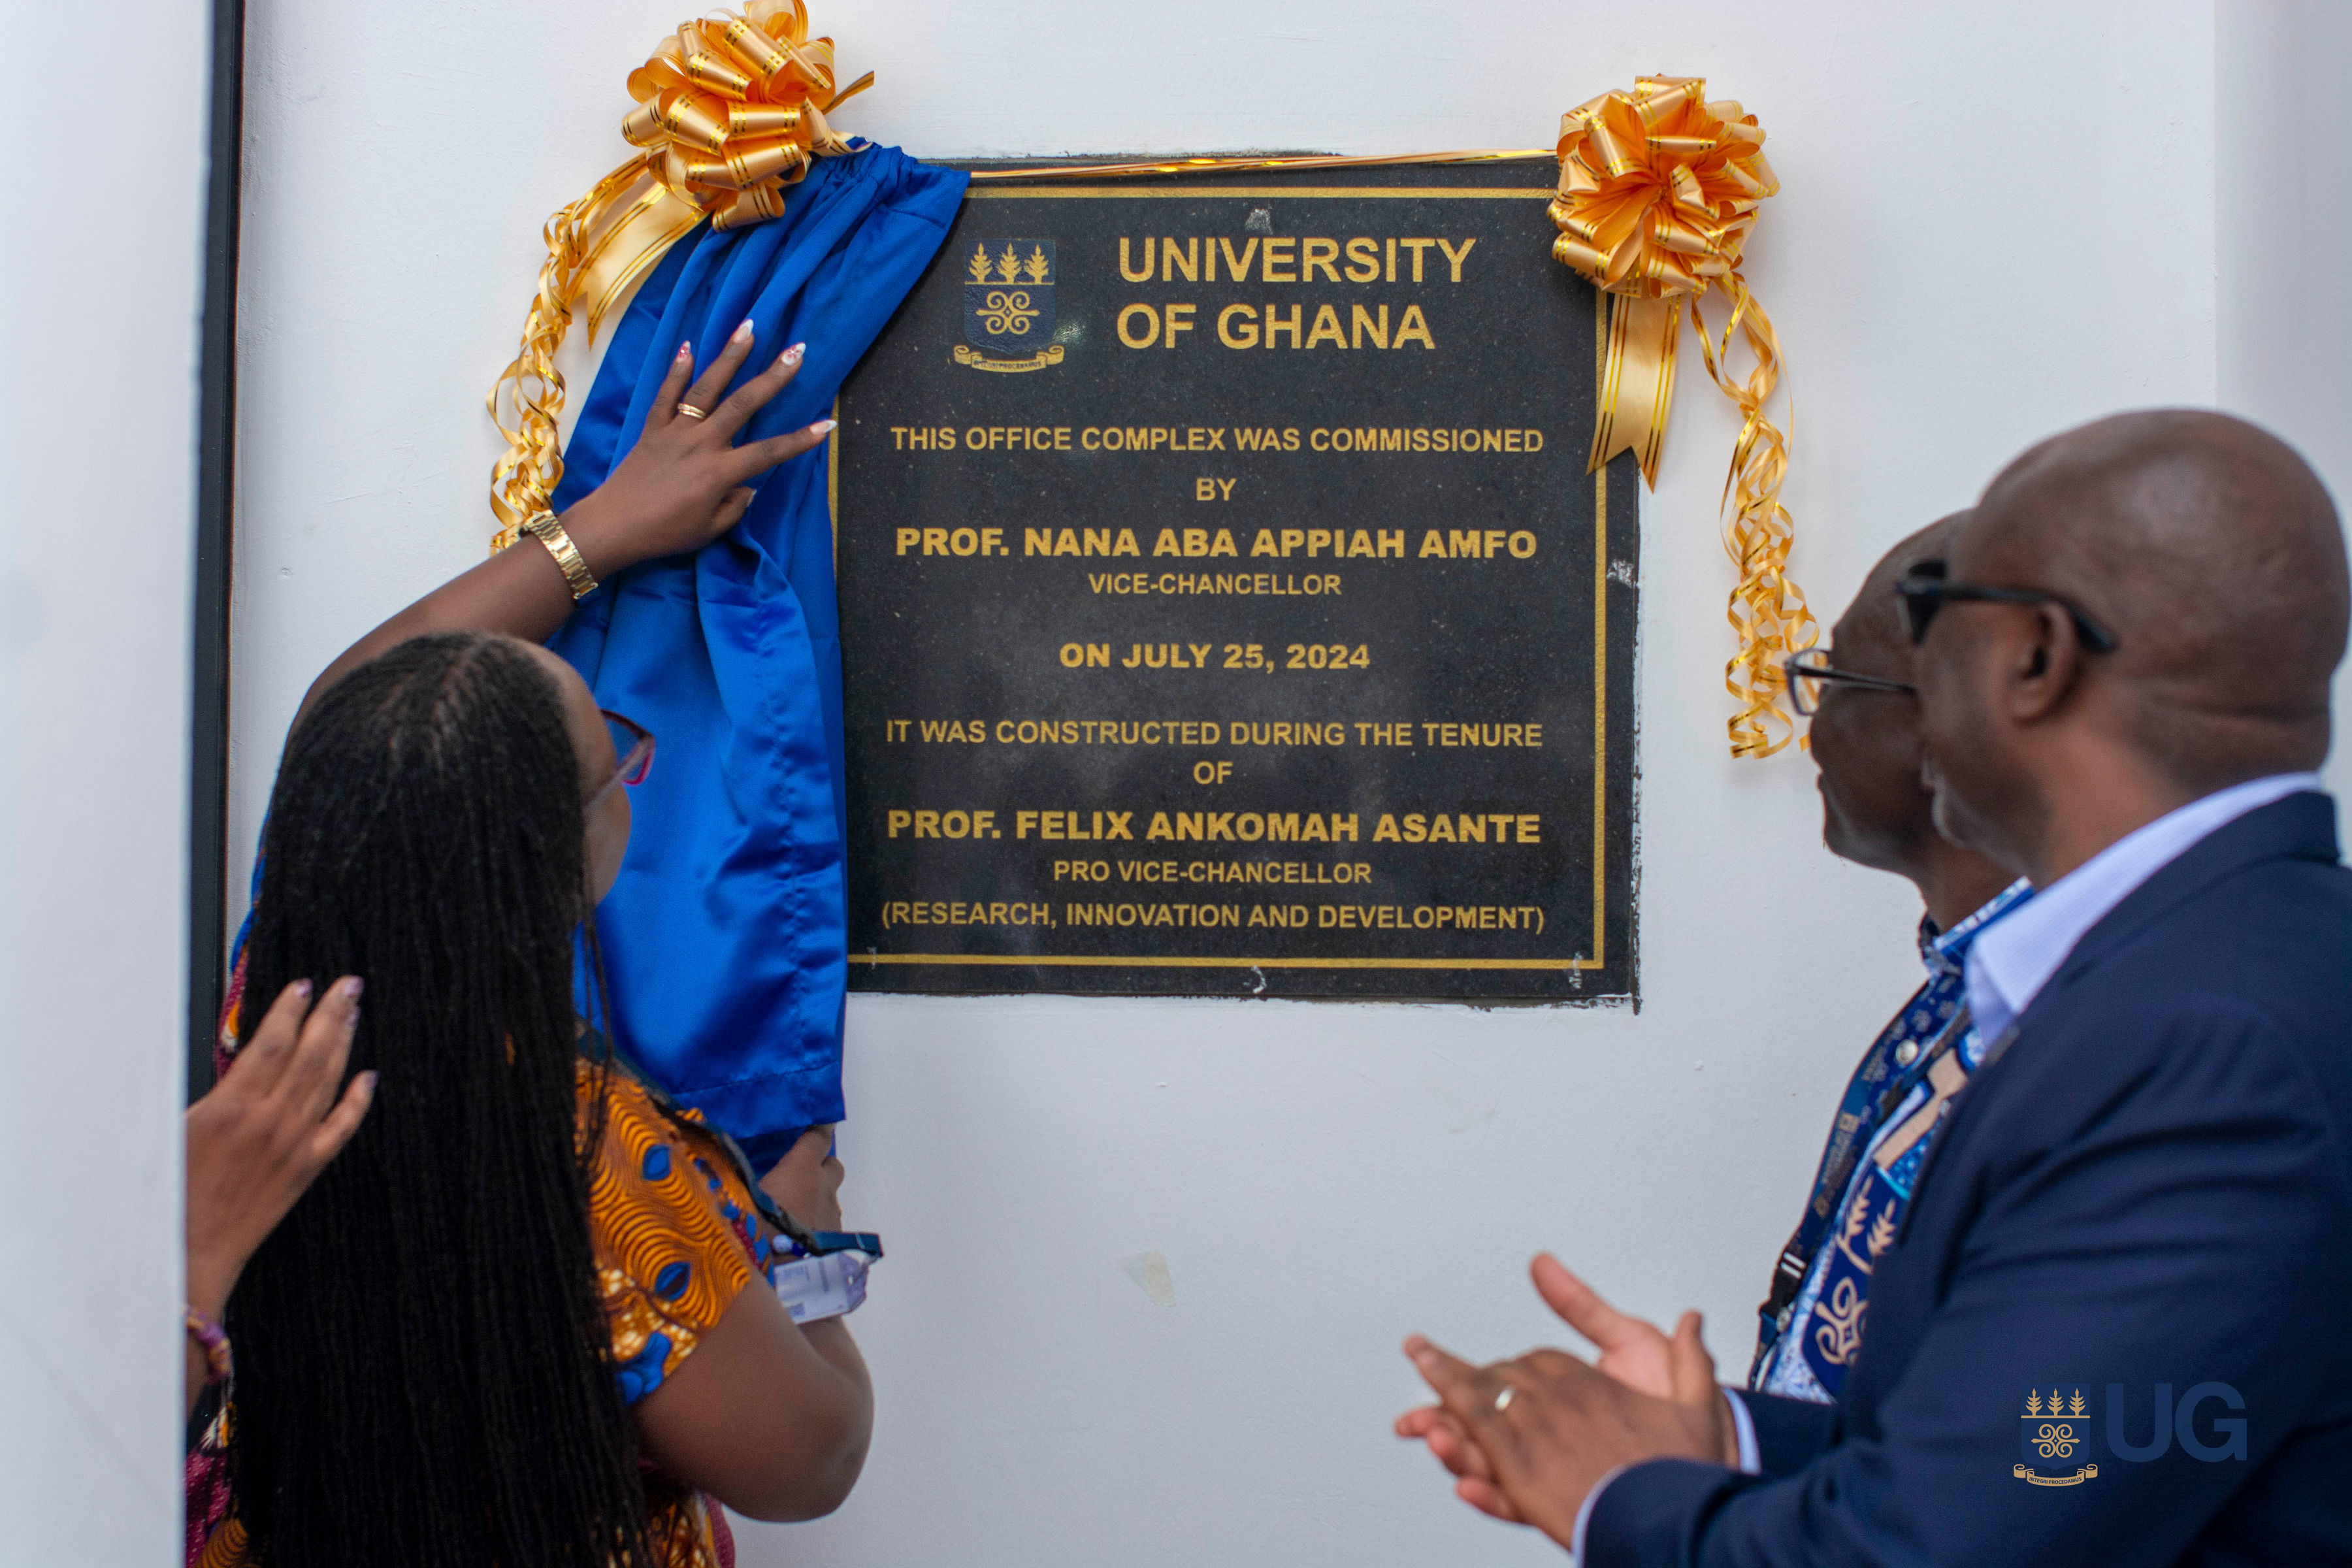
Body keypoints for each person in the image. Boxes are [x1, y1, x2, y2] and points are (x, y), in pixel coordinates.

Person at [1396, 410, 2352, 1564]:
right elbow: (2051, 1463)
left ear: (2036, 658)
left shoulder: (2205, 1048)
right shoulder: (2226, 963)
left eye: (1933, 623)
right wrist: (1728, 1439)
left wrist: (1621, 1492)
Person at [190, 325, 873, 1568]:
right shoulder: (593, 1161)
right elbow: (809, 1460)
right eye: (614, 759)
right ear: (569, 864)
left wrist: (599, 532)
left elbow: (363, 699)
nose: (630, 765)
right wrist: (792, 1246)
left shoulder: (268, 1034)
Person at [1397, 514, 2028, 1485]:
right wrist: (1716, 1437)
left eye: (1833, 683)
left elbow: (2026, 1480)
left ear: (1946, 728)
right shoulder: (1970, 989)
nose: (1810, 725)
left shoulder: (2087, 1032)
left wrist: (1642, 1507)